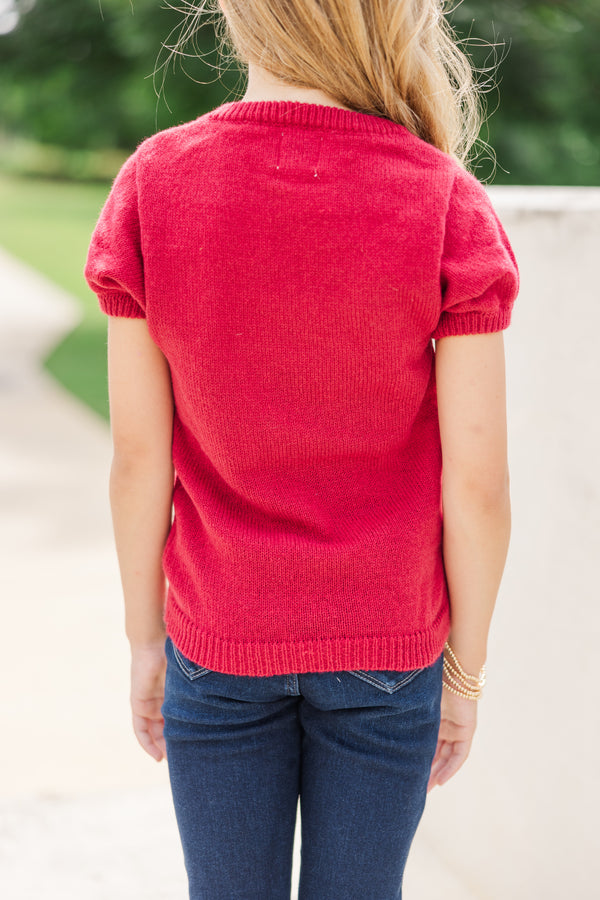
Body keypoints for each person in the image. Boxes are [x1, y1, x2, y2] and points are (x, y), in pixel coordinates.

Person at [84, 1, 519, 897]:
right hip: (389, 650)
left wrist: (144, 643)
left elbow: (137, 458)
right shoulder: (441, 194)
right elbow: (477, 485)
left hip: (220, 633)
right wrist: (464, 678)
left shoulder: (153, 182)